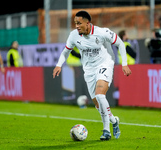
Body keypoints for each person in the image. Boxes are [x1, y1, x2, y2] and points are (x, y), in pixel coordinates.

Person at [53, 10, 132, 140]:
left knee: (100, 95)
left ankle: (106, 131)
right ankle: (114, 121)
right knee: (97, 103)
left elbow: (120, 44)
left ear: (87, 23)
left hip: (104, 64)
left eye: (79, 23)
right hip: (89, 70)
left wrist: (124, 64)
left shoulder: (102, 32)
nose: (77, 26)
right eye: (75, 23)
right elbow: (65, 51)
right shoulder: (74, 35)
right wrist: (58, 65)